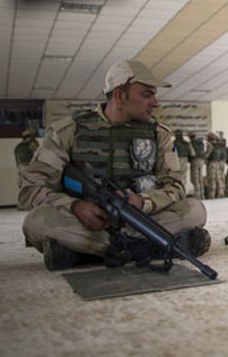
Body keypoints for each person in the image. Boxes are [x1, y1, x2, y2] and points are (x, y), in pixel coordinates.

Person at [19, 60, 209, 271]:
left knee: (194, 209)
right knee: (36, 221)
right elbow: (31, 190)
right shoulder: (67, 131)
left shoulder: (160, 134)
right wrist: (75, 206)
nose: (155, 102)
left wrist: (144, 202)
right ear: (119, 95)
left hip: (143, 218)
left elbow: (174, 186)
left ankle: (86, 252)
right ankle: (155, 246)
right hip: (88, 223)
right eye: (147, 94)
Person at [15, 128, 40, 210]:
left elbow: (17, 160)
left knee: (23, 186)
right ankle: (29, 204)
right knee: (31, 186)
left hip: (21, 167)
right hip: (28, 167)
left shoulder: (18, 146)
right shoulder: (32, 144)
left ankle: (22, 204)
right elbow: (38, 154)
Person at [205, 133, 227, 199]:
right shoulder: (219, 145)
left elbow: (207, 155)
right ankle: (220, 193)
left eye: (208, 137)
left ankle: (212, 195)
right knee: (219, 179)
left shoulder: (210, 145)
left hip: (212, 163)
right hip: (219, 163)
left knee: (212, 179)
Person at [173, 130, 193, 197]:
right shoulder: (186, 143)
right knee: (184, 178)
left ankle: (178, 195)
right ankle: (183, 194)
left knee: (175, 179)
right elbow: (192, 153)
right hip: (184, 160)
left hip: (176, 160)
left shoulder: (173, 143)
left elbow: (170, 152)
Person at [188, 132, 206, 199]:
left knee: (195, 179)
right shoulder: (201, 143)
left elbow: (192, 153)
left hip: (195, 161)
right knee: (200, 178)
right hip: (202, 161)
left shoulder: (191, 143)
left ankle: (197, 195)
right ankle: (202, 194)